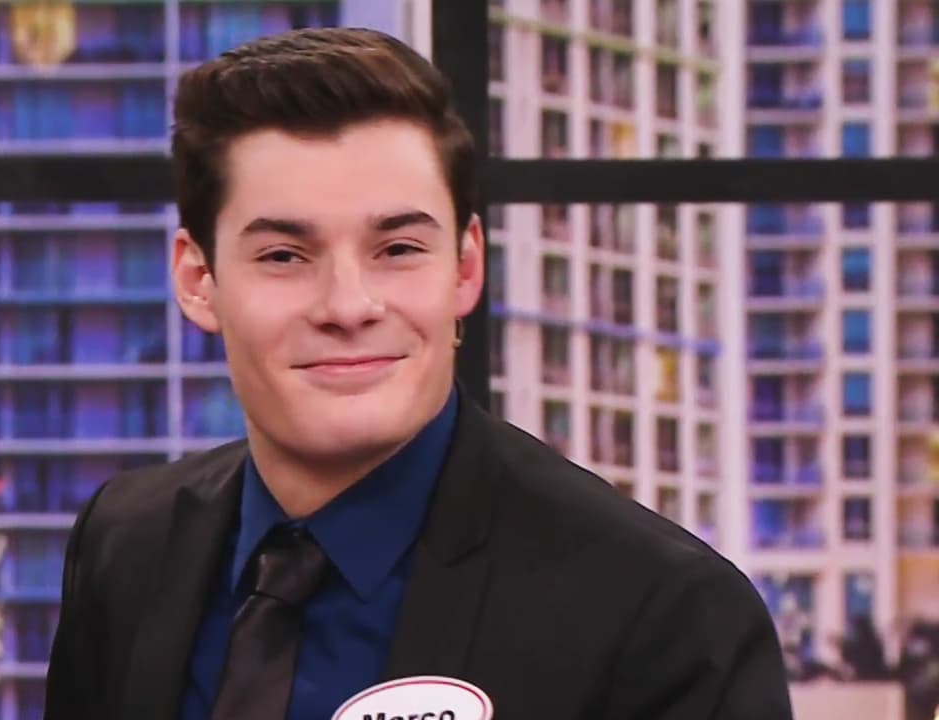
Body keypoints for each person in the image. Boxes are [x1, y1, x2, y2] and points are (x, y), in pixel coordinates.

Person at [44, 27, 793, 720]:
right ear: (197, 279)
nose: (348, 306)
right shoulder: (124, 543)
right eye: (284, 256)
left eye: (398, 249)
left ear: (465, 268)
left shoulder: (662, 616)